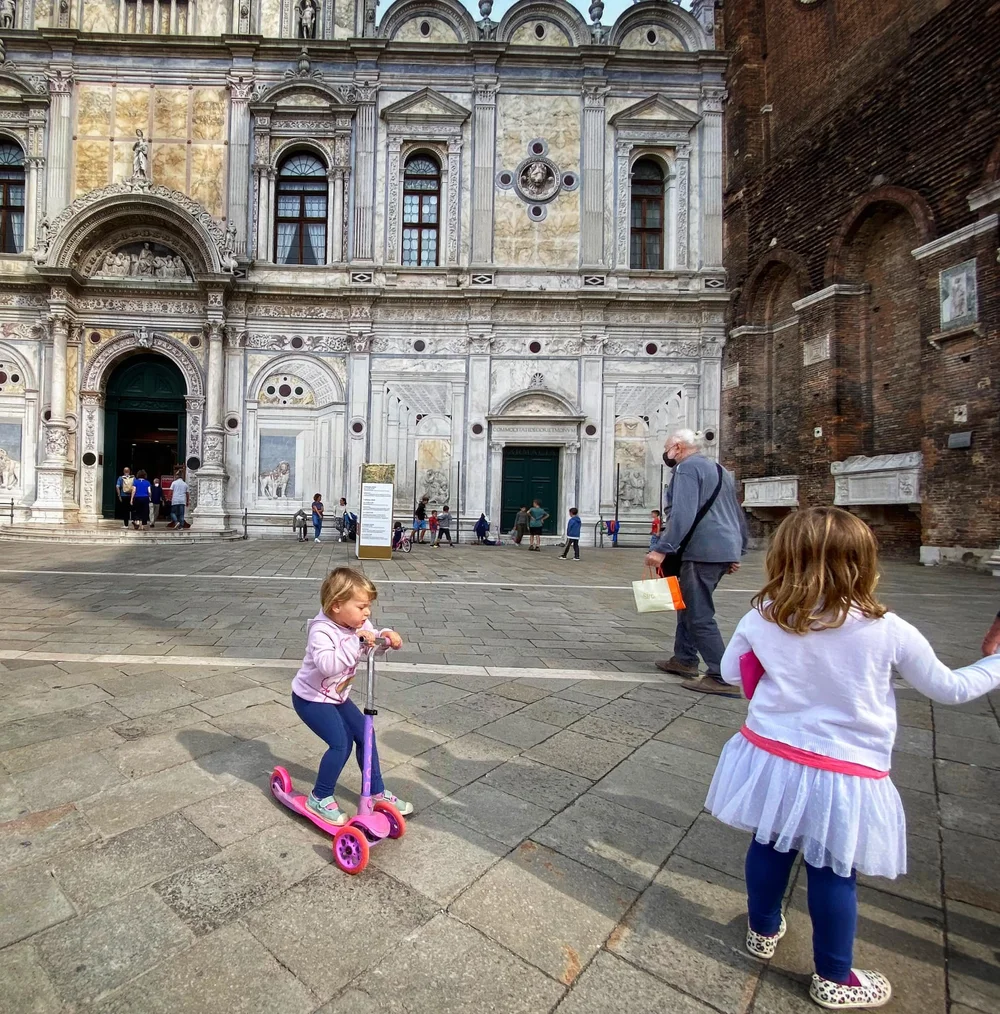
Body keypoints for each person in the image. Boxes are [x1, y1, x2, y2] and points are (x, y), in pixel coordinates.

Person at [705, 507, 1000, 1009]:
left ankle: (762, 930)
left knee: (770, 844)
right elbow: (950, 688)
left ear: (782, 558)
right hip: (844, 769)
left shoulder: (764, 614)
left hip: (773, 753)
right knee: (833, 868)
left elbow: (732, 672)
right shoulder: (889, 630)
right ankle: (834, 977)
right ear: (863, 562)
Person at [291, 568, 414, 825]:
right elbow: (327, 665)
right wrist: (355, 642)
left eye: (368, 607)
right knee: (341, 743)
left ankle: (376, 791)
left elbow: (370, 642)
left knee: (365, 734)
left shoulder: (356, 624)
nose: (367, 613)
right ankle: (320, 796)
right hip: (311, 699)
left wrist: (385, 637)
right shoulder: (321, 631)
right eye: (361, 607)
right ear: (337, 605)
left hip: (337, 698)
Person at [646, 429, 748, 695]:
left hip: (700, 550)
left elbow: (683, 513)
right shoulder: (719, 470)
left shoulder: (686, 470)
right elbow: (736, 511)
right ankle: (684, 658)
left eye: (668, 448)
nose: (666, 453)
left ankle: (721, 675)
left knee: (698, 614)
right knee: (688, 605)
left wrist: (662, 548)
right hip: (721, 548)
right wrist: (737, 550)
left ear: (678, 448)